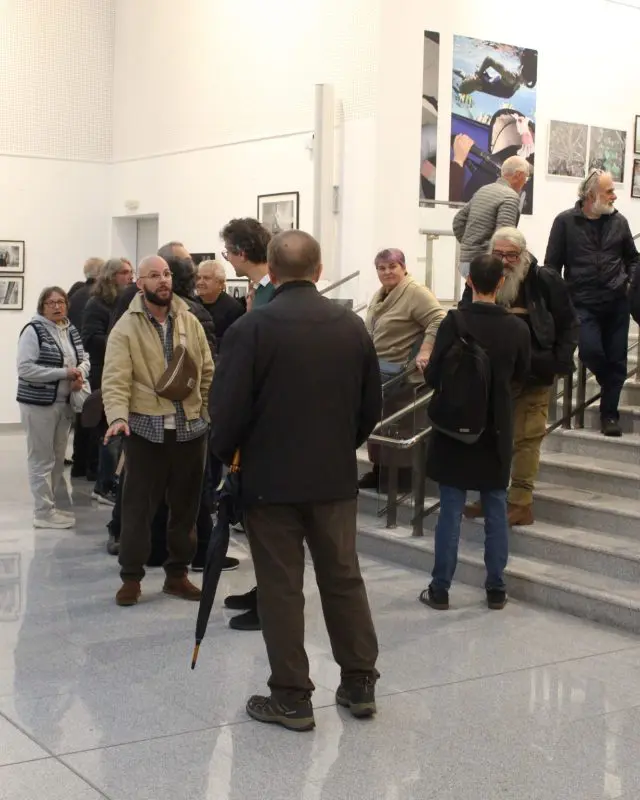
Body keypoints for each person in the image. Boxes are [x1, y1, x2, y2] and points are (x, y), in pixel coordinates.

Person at [210, 230, 382, 732]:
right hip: (333, 478)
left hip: (269, 481)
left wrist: (228, 457)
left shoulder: (251, 329)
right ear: (319, 268)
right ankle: (359, 681)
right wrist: (339, 446)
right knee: (343, 578)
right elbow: (370, 406)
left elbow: (227, 411)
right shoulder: (352, 327)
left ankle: (290, 695)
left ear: (271, 270)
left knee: (281, 586)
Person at [420, 255, 531, 612]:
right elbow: (522, 377)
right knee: (496, 508)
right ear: (501, 283)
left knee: (450, 510)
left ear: (469, 282)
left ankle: (440, 589)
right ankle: (496, 588)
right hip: (496, 427)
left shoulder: (454, 321)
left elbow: (433, 374)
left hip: (454, 428)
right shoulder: (517, 329)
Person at [102, 255, 213, 606]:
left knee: (186, 510)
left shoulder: (189, 320)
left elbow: (207, 370)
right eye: (154, 275)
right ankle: (131, 577)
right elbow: (115, 378)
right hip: (145, 431)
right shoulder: (126, 327)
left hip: (190, 431)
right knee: (137, 510)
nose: (163, 280)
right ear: (140, 283)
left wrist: (205, 412)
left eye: (166, 274)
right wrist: (118, 417)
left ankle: (177, 575)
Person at [462, 228, 578, 526]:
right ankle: (491, 496)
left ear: (523, 255)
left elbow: (568, 323)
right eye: (498, 254)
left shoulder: (544, 280)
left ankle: (520, 503)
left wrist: (557, 362)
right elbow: (466, 316)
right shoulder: (481, 276)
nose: (504, 261)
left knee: (527, 437)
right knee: (490, 436)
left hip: (533, 375)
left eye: (511, 255)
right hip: (491, 378)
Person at [545, 169, 640, 436]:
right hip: (582, 303)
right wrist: (560, 301)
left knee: (618, 360)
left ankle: (609, 416)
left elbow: (633, 258)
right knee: (590, 352)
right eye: (609, 191)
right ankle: (610, 383)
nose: (614, 196)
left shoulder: (619, 222)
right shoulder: (564, 222)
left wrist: (629, 284)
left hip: (617, 302)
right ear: (591, 195)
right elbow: (552, 267)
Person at [217, 218, 273, 631]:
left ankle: (271, 602)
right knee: (255, 522)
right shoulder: (258, 291)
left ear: (239, 252)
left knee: (269, 525)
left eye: (227, 252)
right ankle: (262, 590)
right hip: (255, 423)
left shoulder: (271, 293)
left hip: (268, 423)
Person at [358, 248, 445, 491]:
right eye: (381, 268)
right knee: (378, 422)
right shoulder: (381, 294)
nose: (387, 272)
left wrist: (425, 350)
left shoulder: (415, 292)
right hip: (380, 372)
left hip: (404, 375)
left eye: (392, 267)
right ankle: (379, 471)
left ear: (404, 267)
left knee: (399, 427)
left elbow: (439, 319)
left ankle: (399, 477)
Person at [17, 286, 91, 529]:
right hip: (38, 404)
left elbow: (84, 358)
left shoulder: (70, 329)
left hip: (64, 404)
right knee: (41, 459)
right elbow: (25, 369)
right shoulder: (33, 331)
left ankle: (50, 507)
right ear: (42, 306)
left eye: (61, 302)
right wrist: (64, 373)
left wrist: (79, 373)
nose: (57, 306)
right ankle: (42, 512)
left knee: (58, 459)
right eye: (51, 303)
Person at [81, 258, 134, 505]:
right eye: (124, 272)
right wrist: (120, 343)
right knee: (109, 430)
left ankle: (111, 481)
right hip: (103, 372)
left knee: (119, 431)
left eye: (131, 272)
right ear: (111, 276)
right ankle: (104, 485)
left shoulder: (127, 302)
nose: (130, 277)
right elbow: (90, 339)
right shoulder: (96, 304)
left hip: (122, 371)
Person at [452, 156, 529, 278]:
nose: (525, 182)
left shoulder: (483, 190)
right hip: (486, 266)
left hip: (466, 262)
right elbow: (504, 238)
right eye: (526, 177)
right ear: (518, 175)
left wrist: (470, 246)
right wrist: (483, 251)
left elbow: (458, 222)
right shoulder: (510, 196)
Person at [68, 256, 105, 479]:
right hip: (92, 362)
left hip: (76, 360)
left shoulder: (75, 295)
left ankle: (79, 464)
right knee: (93, 414)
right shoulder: (97, 298)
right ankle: (91, 467)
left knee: (82, 413)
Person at [221, 218, 274, 309]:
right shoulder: (260, 290)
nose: (228, 259)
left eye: (228, 252)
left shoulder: (273, 291)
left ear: (241, 254)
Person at [456, 48, 537, 99]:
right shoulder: (511, 78)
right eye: (525, 81)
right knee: (462, 90)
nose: (524, 84)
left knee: (463, 81)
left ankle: (460, 74)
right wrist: (478, 75)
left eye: (526, 83)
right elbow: (489, 60)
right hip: (479, 82)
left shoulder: (516, 83)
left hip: (483, 83)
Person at [196, 259, 244, 345]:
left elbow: (234, 341)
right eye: (198, 278)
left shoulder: (234, 308)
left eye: (206, 278)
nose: (200, 282)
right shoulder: (191, 304)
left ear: (220, 284)